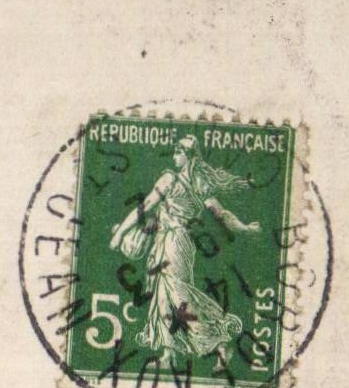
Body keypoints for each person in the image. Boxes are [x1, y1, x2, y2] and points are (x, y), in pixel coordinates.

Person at [110, 134, 260, 360]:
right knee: (162, 295)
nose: (174, 157)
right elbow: (222, 215)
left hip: (174, 242)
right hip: (173, 241)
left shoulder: (170, 180)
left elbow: (145, 207)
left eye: (178, 153)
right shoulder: (200, 185)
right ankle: (169, 351)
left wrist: (120, 233)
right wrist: (245, 228)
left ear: (189, 156)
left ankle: (219, 341)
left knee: (178, 294)